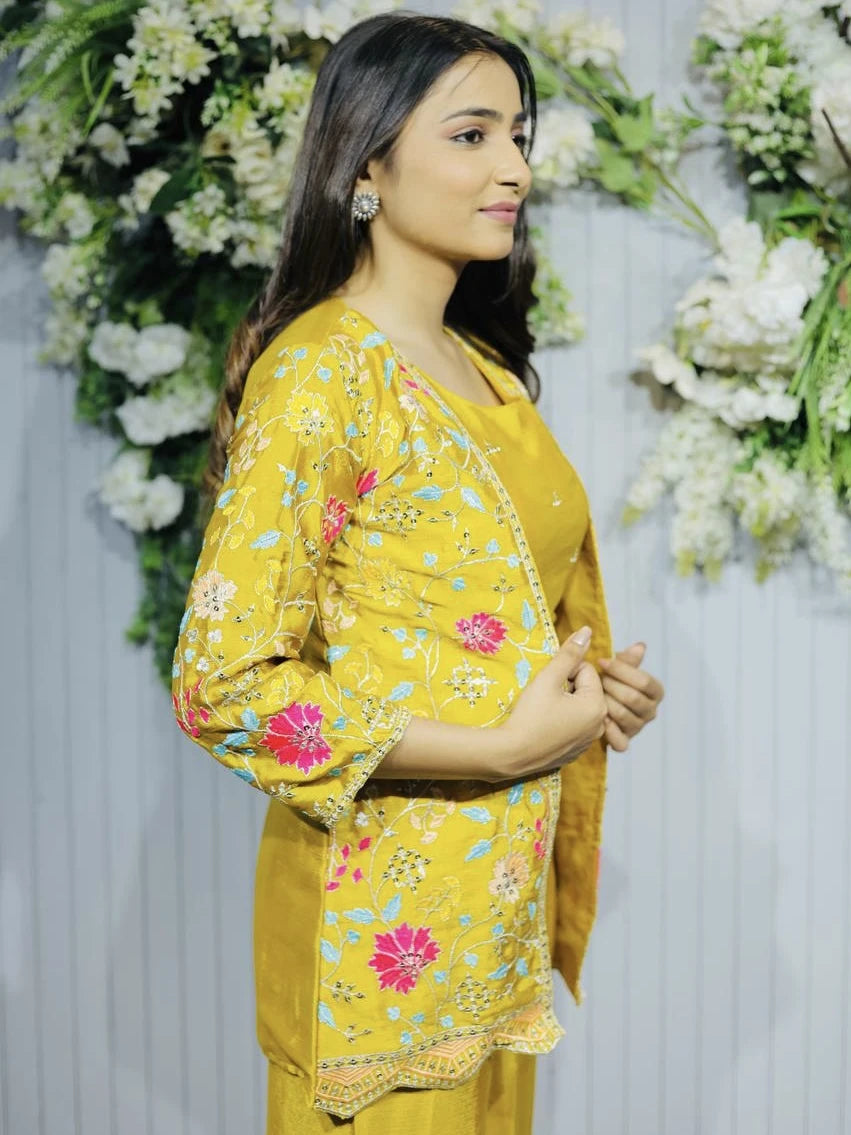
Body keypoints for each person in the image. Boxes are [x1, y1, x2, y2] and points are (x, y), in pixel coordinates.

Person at [170, 11, 665, 1133]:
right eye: (472, 135)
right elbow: (221, 684)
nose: (514, 168)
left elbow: (484, 614)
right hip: (372, 933)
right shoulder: (321, 375)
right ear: (365, 165)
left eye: (519, 134)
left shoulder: (479, 368)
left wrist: (588, 695)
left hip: (491, 916)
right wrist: (499, 746)